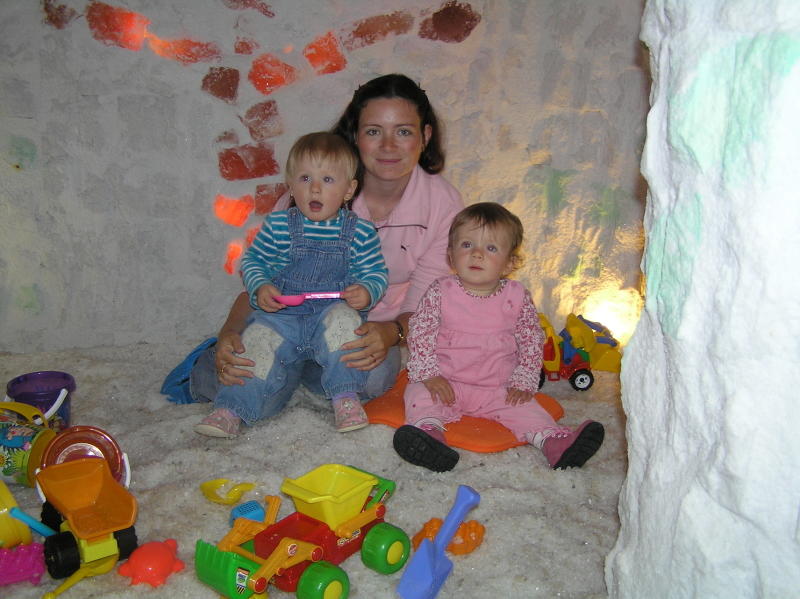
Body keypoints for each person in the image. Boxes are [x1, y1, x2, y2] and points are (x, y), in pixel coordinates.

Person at [175, 74, 464, 423]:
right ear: (355, 135)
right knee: (224, 384)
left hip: (355, 331)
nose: (388, 146)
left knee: (375, 376)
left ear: (425, 136)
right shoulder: (307, 194)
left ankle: (300, 375)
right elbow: (259, 279)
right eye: (373, 131)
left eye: (403, 131)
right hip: (283, 322)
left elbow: (424, 304)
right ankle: (275, 370)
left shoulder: (443, 204)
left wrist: (392, 333)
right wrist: (230, 333)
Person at [194, 132, 388, 437]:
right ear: (291, 185)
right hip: (282, 316)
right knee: (257, 341)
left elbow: (376, 272)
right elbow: (253, 262)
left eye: (327, 180)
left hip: (330, 312)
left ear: (349, 190)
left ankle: (345, 397)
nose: (314, 188)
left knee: (346, 325)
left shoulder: (361, 232)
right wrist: (261, 287)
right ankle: (230, 409)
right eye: (305, 178)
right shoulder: (279, 226)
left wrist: (367, 290)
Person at [392, 202, 605, 472]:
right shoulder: (440, 291)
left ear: (509, 263)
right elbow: (421, 331)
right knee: (418, 394)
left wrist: (524, 379)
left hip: (497, 387)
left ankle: (553, 442)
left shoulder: (516, 297)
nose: (477, 254)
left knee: (527, 408)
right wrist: (429, 374)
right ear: (450, 255)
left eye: (491, 248)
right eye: (467, 245)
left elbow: (531, 340)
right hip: (445, 381)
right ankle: (429, 434)